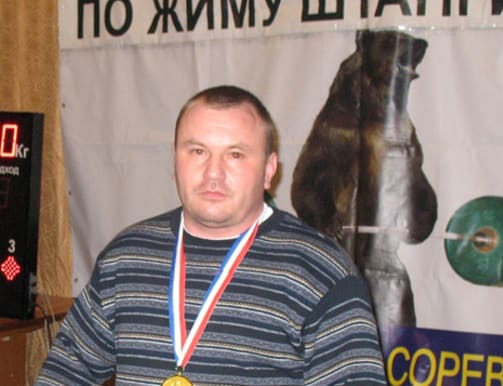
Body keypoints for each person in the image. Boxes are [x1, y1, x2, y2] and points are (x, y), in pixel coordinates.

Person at [36, 85, 387, 385]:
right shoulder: (126, 257)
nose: (213, 173)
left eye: (235, 155)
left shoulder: (321, 272)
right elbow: (64, 374)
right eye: (198, 151)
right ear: (175, 160)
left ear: (269, 171)